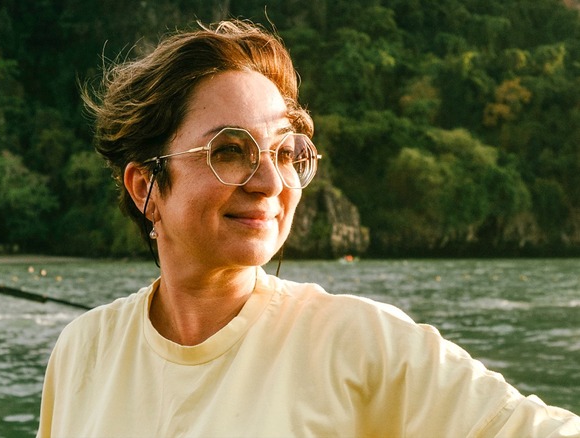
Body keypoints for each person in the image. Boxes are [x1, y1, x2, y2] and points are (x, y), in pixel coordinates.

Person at [37, 20, 579, 437]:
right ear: (146, 187)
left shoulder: (358, 345)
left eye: (286, 152)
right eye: (230, 150)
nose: (271, 181)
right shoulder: (84, 351)